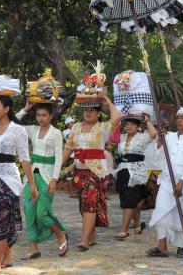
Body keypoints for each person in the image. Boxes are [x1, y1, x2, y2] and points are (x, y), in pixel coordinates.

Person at [0, 95, 38, 275]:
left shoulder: (17, 130)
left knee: (0, 220)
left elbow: (25, 158)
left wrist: (32, 184)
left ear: (7, 109)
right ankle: (8, 256)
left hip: (8, 180)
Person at [62, 96, 121, 251]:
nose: (88, 113)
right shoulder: (75, 128)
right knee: (83, 204)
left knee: (90, 202)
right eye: (86, 110)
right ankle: (92, 235)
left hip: (96, 171)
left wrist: (108, 102)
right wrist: (57, 167)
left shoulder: (103, 127)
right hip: (79, 170)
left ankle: (85, 239)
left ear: (98, 113)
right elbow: (68, 149)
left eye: (92, 110)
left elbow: (118, 117)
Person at [148, 107, 183, 258]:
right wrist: (160, 139)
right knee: (161, 210)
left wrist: (182, 182)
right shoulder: (169, 137)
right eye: (178, 117)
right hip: (166, 181)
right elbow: (158, 155)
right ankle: (162, 246)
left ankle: (181, 247)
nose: (179, 120)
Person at [16, 101, 67, 260]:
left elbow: (59, 158)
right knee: (29, 211)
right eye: (38, 115)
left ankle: (60, 235)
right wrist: (26, 108)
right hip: (31, 176)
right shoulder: (32, 130)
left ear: (51, 116)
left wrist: (54, 179)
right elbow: (13, 122)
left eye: (44, 115)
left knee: (42, 214)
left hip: (47, 176)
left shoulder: (56, 133)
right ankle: (33, 248)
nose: (41, 118)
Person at [114, 115, 157, 239]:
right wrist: (117, 123)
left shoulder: (142, 137)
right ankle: (138, 223)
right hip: (122, 170)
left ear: (138, 127)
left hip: (136, 172)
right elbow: (110, 138)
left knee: (130, 199)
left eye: (132, 124)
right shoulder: (121, 138)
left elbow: (153, 133)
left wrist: (147, 120)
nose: (129, 126)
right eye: (127, 124)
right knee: (127, 198)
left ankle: (124, 229)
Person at [62, 116, 76, 198]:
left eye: (73, 122)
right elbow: (71, 138)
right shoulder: (65, 132)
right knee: (70, 174)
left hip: (77, 154)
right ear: (67, 124)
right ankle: (71, 192)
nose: (73, 124)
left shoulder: (76, 130)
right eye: (71, 123)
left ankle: (76, 191)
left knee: (76, 173)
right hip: (69, 155)